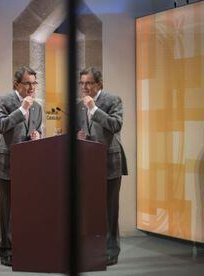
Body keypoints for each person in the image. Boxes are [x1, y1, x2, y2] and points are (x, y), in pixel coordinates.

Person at [0, 66, 42, 267]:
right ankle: (6, 252)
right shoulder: (3, 101)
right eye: (27, 83)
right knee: (7, 210)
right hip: (7, 164)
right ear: (16, 84)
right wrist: (22, 110)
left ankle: (24, 247)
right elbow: (1, 126)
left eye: (34, 83)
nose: (31, 87)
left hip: (28, 165)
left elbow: (35, 129)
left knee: (25, 209)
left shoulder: (37, 107)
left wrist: (36, 135)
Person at [77, 67, 128, 266]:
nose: (85, 87)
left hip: (109, 163)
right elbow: (83, 130)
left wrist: (94, 109)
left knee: (109, 211)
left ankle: (111, 253)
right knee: (89, 210)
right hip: (88, 165)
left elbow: (115, 125)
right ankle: (91, 250)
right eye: (82, 83)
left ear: (99, 84)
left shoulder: (112, 100)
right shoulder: (78, 104)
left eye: (88, 83)